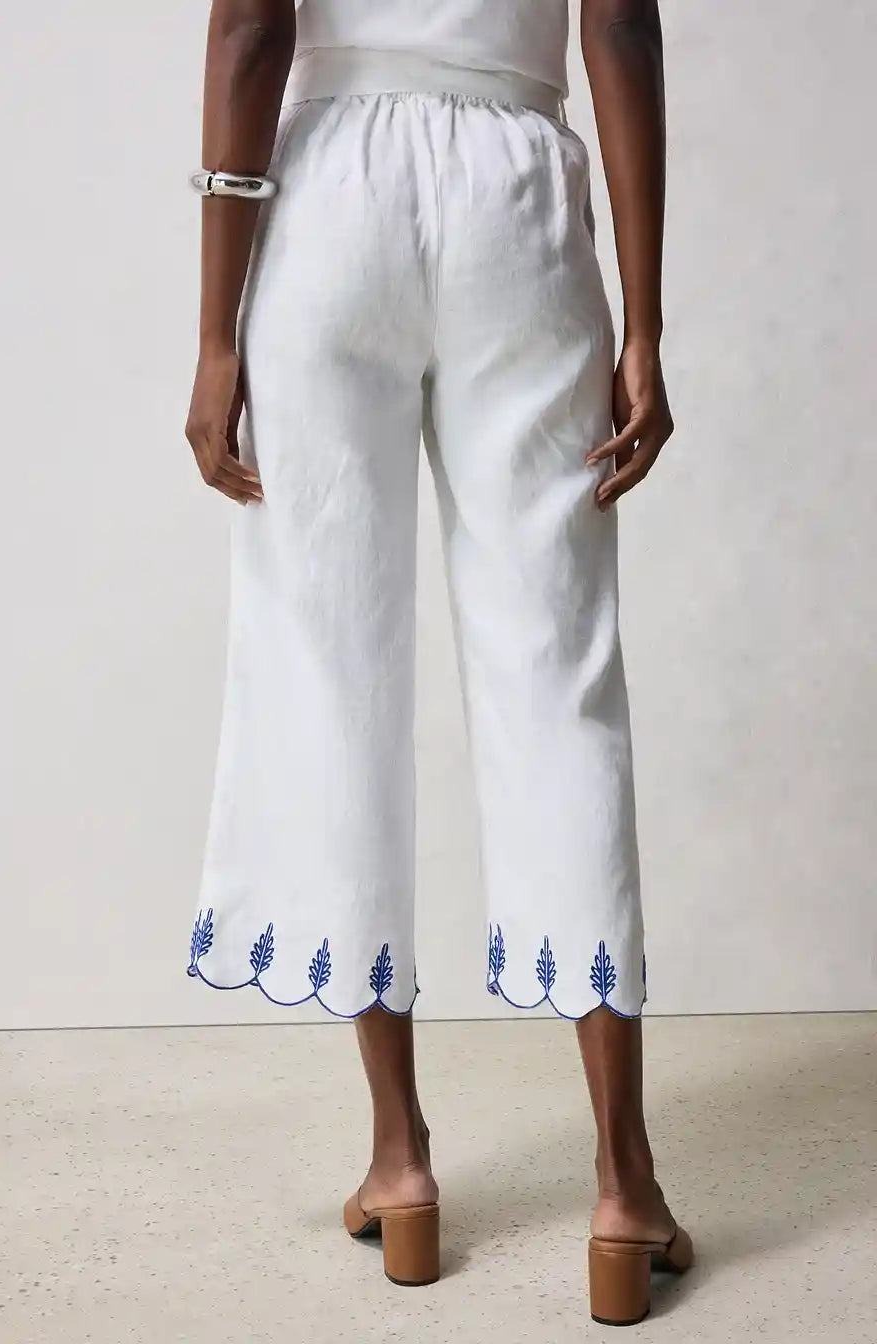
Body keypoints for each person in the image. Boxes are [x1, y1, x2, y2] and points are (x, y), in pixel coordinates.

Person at [184, 0, 692, 1324]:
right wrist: (644, 321)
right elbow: (619, 30)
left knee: (333, 668)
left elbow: (249, 32)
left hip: (327, 199)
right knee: (559, 674)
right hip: (517, 196)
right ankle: (624, 1184)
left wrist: (217, 331)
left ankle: (400, 1162)